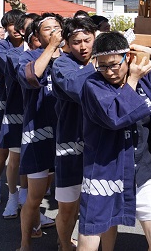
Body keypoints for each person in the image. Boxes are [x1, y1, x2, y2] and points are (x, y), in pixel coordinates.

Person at [78, 31, 151, 251]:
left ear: (128, 58)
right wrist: (132, 80)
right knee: (90, 240)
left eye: (114, 64)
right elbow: (116, 116)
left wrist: (147, 51)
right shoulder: (93, 85)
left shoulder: (144, 77)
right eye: (102, 66)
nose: (108, 71)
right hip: (105, 169)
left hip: (141, 168)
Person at [51, 16, 98, 251]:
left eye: (87, 40)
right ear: (67, 43)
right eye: (76, 41)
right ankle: (64, 245)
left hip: (99, 145)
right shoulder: (62, 64)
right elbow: (76, 87)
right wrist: (97, 66)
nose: (83, 47)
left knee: (94, 204)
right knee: (67, 207)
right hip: (70, 143)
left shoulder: (104, 61)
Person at [16, 14, 62, 249]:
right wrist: (52, 48)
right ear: (36, 36)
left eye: (57, 27)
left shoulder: (71, 58)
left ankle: (65, 241)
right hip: (38, 134)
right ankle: (25, 243)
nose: (54, 31)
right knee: (35, 196)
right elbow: (31, 76)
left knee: (66, 198)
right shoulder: (28, 56)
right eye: (47, 29)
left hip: (66, 136)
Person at [0, 10, 25, 207]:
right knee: (2, 154)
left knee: (20, 155)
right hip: (5, 105)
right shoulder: (1, 47)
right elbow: (17, 67)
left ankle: (18, 196)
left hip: (25, 106)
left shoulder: (31, 44)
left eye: (21, 24)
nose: (17, 29)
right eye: (12, 25)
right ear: (5, 27)